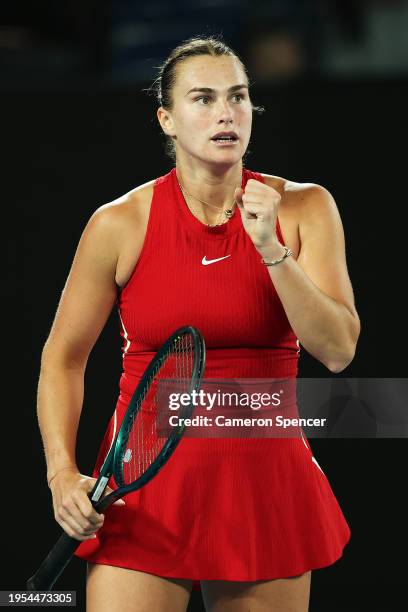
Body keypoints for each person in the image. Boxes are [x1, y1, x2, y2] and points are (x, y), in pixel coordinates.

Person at [38, 36, 360, 612]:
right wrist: (63, 473)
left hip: (265, 485)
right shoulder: (119, 223)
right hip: (146, 490)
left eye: (237, 97)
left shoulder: (305, 208)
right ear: (166, 117)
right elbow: (63, 357)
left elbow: (337, 350)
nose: (225, 113)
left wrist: (271, 251)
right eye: (203, 98)